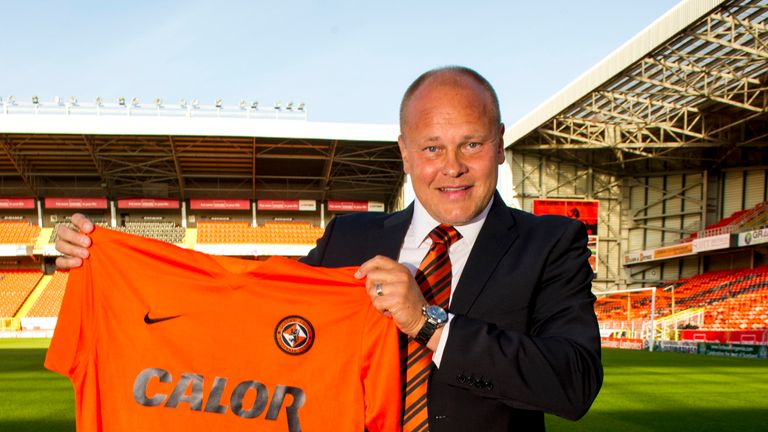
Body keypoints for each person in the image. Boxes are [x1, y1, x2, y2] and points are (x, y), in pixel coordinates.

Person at [57, 66, 602, 431]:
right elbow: (253, 317)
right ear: (405, 154)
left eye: (472, 145)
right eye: (432, 147)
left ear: (500, 145)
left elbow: (573, 383)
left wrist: (430, 321)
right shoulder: (350, 237)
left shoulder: (550, 242)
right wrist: (105, 264)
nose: (452, 166)